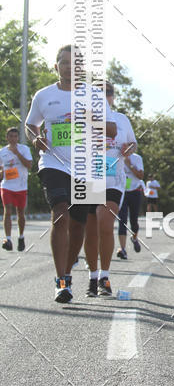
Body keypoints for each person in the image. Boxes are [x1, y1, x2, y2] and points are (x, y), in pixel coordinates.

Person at [25, 45, 116, 303]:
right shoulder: (44, 96)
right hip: (53, 163)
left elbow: (112, 131)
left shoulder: (94, 95)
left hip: (87, 166)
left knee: (79, 224)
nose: (69, 66)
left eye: (75, 62)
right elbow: (30, 124)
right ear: (56, 66)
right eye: (64, 62)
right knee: (61, 214)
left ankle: (68, 273)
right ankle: (61, 280)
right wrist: (35, 138)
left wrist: (91, 118)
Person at [80, 82, 137, 296]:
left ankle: (105, 276)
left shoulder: (121, 119)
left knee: (105, 223)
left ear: (113, 96)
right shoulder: (82, 116)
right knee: (90, 230)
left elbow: (133, 143)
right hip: (89, 179)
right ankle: (93, 277)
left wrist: (129, 149)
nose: (105, 96)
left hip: (113, 179)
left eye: (108, 92)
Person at [0, 127, 32, 251]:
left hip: (21, 186)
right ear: (7, 137)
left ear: (18, 138)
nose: (13, 139)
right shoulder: (2, 152)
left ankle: (21, 237)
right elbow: (2, 169)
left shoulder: (24, 149)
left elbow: (29, 165)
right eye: (10, 136)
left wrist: (17, 153)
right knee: (7, 210)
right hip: (6, 185)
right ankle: (8, 239)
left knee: (20, 213)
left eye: (15, 136)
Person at [118, 151, 145, 256]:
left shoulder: (137, 158)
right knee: (122, 220)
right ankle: (122, 249)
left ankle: (134, 238)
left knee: (134, 221)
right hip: (121, 192)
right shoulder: (116, 156)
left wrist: (129, 164)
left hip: (135, 191)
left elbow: (140, 176)